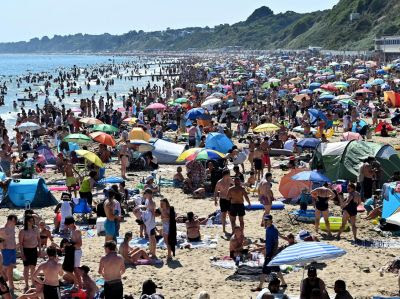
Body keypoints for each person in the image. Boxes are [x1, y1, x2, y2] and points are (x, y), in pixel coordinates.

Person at [253, 215, 286, 292]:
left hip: (271, 253)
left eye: (267, 220)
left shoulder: (274, 230)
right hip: (269, 252)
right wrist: (264, 241)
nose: (266, 221)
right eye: (265, 220)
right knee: (277, 269)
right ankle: (284, 283)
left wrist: (272, 254)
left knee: (264, 270)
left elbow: (276, 242)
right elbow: (270, 240)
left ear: (271, 220)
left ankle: (260, 287)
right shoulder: (267, 228)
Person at [19, 215, 41, 291]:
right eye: (30, 220)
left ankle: (33, 283)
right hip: (26, 250)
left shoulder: (36, 229)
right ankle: (26, 284)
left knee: (33, 268)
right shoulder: (22, 231)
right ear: (27, 221)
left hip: (34, 250)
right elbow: (20, 243)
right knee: (26, 268)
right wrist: (22, 254)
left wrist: (40, 250)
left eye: (33, 220)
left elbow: (39, 240)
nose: (32, 222)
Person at [64, 216, 83, 289]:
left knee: (76, 269)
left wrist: (70, 244)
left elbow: (79, 244)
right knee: (73, 269)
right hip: (73, 251)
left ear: (71, 223)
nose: (67, 226)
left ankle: (80, 285)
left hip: (77, 252)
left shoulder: (76, 231)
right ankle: (76, 284)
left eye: (68, 224)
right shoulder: (71, 229)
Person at [0, 214, 17, 291]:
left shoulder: (13, 227)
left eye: (15, 220)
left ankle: (11, 285)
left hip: (13, 250)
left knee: (11, 268)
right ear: (9, 220)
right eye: (13, 220)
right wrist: (1, 243)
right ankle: (3, 285)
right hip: (6, 250)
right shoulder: (3, 228)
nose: (14, 222)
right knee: (4, 269)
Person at [214, 169, 233, 234]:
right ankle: (224, 229)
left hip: (229, 199)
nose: (229, 175)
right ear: (226, 175)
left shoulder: (229, 180)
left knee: (230, 214)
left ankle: (232, 228)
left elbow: (236, 184)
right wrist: (215, 200)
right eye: (228, 174)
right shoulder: (219, 182)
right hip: (222, 199)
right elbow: (216, 191)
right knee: (223, 214)